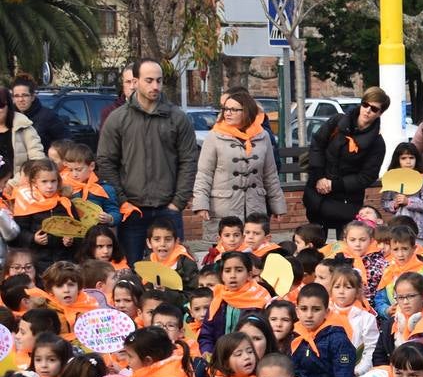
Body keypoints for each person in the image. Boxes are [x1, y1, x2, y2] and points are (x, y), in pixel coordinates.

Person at [96, 59, 198, 261]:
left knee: (173, 269)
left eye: (159, 80)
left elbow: (189, 160)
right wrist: (122, 201)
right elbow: (106, 162)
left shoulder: (178, 118)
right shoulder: (118, 119)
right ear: (135, 82)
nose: (155, 86)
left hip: (168, 208)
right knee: (130, 269)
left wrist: (178, 202)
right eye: (149, 80)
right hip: (132, 211)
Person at [193, 87, 284, 236]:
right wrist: (201, 203)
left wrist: (277, 205)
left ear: (247, 111)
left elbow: (270, 174)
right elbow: (204, 174)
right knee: (226, 248)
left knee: (253, 247)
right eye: (226, 109)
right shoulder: (214, 136)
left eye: (234, 110)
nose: (227, 113)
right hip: (223, 207)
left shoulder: (262, 136)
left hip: (254, 207)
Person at [304, 87, 388, 234]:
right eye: (365, 104)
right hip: (318, 191)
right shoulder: (337, 121)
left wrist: (334, 185)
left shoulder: (377, 143)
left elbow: (367, 176)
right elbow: (317, 144)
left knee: (346, 240)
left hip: (346, 201)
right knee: (314, 238)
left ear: (380, 113)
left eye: (374, 109)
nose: (368, 110)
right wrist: (319, 177)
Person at [0, 86, 44, 185]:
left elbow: (37, 160)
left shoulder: (24, 127)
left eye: (1, 105)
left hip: (18, 186)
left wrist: (12, 183)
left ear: (9, 105)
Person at [9, 77, 66, 150]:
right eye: (16, 96)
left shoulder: (48, 116)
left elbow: (65, 143)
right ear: (13, 98)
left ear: (32, 97)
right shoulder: (9, 116)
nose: (20, 99)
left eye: (25, 95)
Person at [99, 64, 136, 129]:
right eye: (128, 82)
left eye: (135, 82)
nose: (132, 87)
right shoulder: (110, 112)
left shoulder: (152, 110)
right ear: (123, 84)